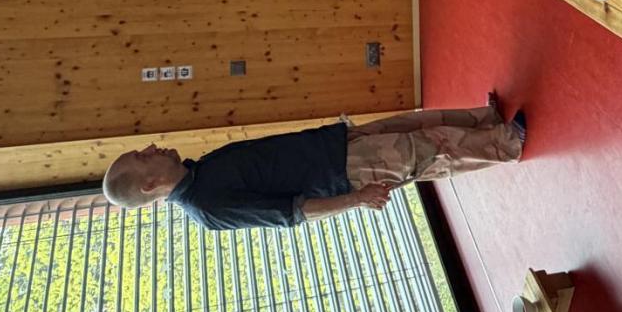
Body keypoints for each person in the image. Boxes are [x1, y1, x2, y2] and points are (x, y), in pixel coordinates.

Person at [100, 105, 527, 230]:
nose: (152, 147)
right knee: (430, 151)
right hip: (344, 170)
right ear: (149, 184)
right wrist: (357, 199)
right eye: (143, 156)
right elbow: (292, 212)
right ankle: (506, 142)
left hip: (332, 145)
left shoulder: (197, 172)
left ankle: (485, 120)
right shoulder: (206, 207)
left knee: (415, 125)